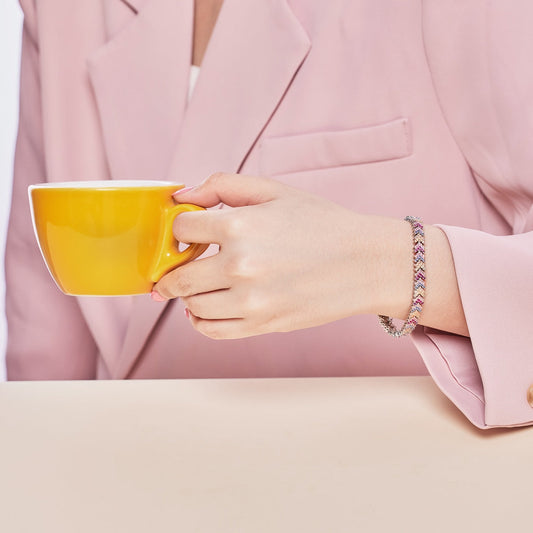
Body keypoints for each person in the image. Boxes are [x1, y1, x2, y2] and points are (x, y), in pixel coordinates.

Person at [5, 0, 533, 430]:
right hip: (123, 481)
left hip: (402, 480)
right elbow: (44, 319)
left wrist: (382, 264)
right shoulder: (60, 9)